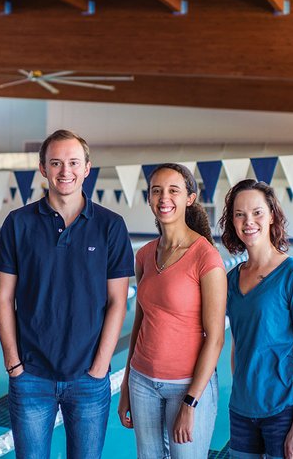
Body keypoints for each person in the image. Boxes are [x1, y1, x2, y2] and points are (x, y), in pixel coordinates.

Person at [0, 129, 135, 459]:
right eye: (55, 163)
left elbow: (118, 301)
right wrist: (14, 364)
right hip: (31, 377)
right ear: (42, 168)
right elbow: (2, 298)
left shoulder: (110, 226)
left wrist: (100, 366)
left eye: (73, 162)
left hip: (88, 378)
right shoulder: (18, 224)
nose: (65, 171)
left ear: (87, 167)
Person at [118, 163, 227, 458]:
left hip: (187, 387)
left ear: (189, 198)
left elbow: (216, 338)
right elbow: (139, 324)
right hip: (142, 382)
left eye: (173, 190)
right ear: (150, 197)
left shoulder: (206, 257)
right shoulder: (144, 255)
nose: (164, 198)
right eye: (157, 191)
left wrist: (191, 402)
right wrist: (126, 385)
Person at [218, 179, 293, 459]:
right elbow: (238, 343)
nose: (248, 221)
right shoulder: (231, 279)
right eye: (240, 214)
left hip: (284, 410)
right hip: (241, 409)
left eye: (257, 212)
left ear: (272, 215)